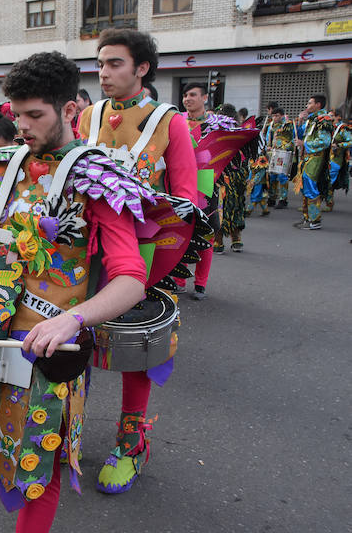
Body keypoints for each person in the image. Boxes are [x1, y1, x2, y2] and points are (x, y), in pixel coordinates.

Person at [0, 51, 149, 531]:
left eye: (35, 115)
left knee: (39, 467)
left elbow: (131, 279)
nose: (22, 126)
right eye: (15, 114)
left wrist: (73, 320)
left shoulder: (97, 178)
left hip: (48, 349)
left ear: (69, 110)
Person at [77, 28, 197, 494]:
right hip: (82, 252)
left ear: (142, 68)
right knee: (75, 339)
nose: (103, 72)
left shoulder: (171, 121)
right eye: (100, 64)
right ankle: (66, 432)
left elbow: (187, 202)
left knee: (135, 354)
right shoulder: (86, 116)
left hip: (143, 256)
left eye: (114, 64)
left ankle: (130, 445)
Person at [179, 82, 213, 299]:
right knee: (180, 231)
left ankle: (201, 283)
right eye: (185, 95)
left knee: (206, 234)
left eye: (192, 94)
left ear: (205, 98)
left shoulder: (216, 124)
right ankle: (178, 279)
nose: (187, 98)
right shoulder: (177, 121)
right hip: (180, 182)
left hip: (207, 183)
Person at [213, 104, 248, 252]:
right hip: (236, 175)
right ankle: (236, 239)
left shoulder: (215, 131)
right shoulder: (242, 133)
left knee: (219, 206)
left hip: (223, 175)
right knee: (235, 206)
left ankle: (219, 241)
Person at [294, 94, 333, 230]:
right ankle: (308, 217)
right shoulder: (313, 120)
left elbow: (324, 141)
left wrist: (303, 143)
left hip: (316, 158)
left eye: (310, 103)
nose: (307, 105)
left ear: (318, 105)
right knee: (306, 186)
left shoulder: (324, 120)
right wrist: (300, 122)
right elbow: (302, 135)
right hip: (308, 158)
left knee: (310, 187)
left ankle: (315, 220)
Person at [266, 107, 294, 209]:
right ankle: (272, 197)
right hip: (273, 152)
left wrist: (285, 147)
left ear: (282, 115)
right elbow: (269, 137)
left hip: (283, 153)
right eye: (273, 116)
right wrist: (268, 146)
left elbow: (292, 139)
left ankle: (283, 199)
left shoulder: (288, 125)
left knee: (282, 176)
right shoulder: (271, 125)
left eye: (277, 115)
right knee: (272, 175)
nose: (274, 118)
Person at [324, 111, 351, 211]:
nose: (329, 118)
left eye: (332, 116)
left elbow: (350, 141)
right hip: (326, 158)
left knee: (329, 181)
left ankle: (329, 203)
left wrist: (339, 145)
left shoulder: (343, 129)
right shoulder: (329, 128)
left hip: (336, 159)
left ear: (338, 117)